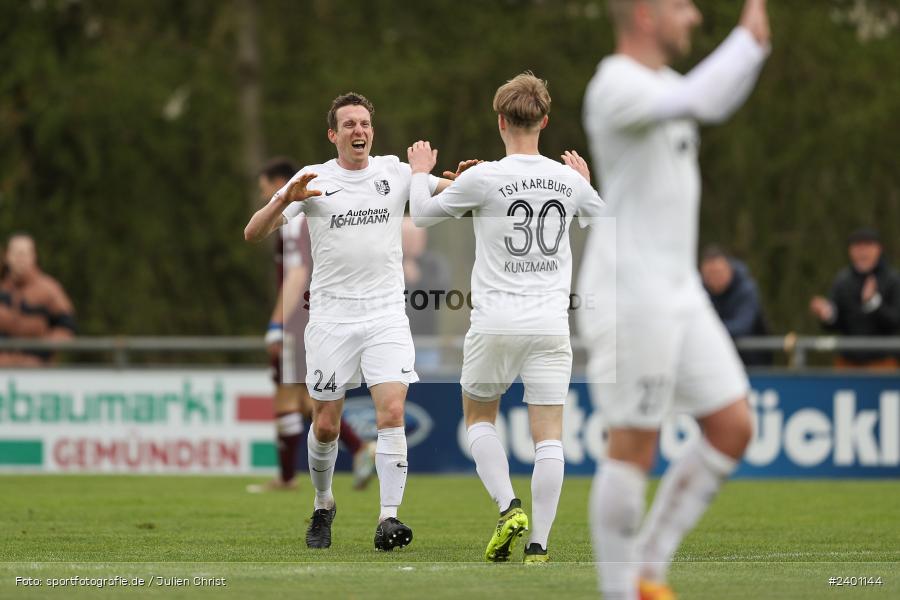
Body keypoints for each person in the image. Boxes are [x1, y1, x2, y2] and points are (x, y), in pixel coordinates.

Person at [578, 0, 770, 598]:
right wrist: (750, 34)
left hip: (679, 290)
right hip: (630, 292)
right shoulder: (615, 84)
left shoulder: (663, 84)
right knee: (634, 443)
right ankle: (620, 591)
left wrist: (752, 45)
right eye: (682, 6)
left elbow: (709, 95)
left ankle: (646, 571)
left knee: (733, 425)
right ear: (644, 14)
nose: (692, 17)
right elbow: (709, 98)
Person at [244, 92, 474, 551]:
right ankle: (324, 503)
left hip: (386, 315)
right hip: (330, 318)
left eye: (365, 123)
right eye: (348, 124)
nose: (359, 131)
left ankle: (389, 517)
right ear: (333, 134)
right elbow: (253, 232)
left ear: (373, 130)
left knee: (392, 412)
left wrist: (467, 183)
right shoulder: (312, 179)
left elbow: (453, 197)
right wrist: (283, 199)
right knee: (326, 424)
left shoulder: (394, 171)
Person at [407, 72, 605, 563]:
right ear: (545, 119)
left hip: (495, 321)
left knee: (478, 419)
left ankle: (507, 505)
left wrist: (419, 171)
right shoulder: (567, 180)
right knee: (549, 436)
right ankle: (539, 544)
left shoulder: (483, 176)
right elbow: (607, 222)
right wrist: (584, 185)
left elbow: (422, 215)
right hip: (551, 326)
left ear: (500, 120)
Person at [246, 157, 376, 494]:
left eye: (266, 190)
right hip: (316, 315)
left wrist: (277, 323)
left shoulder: (292, 220)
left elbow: (299, 273)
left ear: (281, 184)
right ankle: (360, 448)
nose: (265, 198)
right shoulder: (313, 216)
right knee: (307, 400)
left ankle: (287, 478)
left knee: (286, 397)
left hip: (300, 320)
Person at [810, 227, 900, 369]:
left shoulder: (892, 280)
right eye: (857, 247)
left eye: (867, 246)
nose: (862, 252)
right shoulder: (842, 280)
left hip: (883, 363)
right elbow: (834, 324)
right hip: (848, 363)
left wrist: (874, 303)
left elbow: (895, 322)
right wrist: (827, 314)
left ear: (879, 249)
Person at [0, 233, 76, 366]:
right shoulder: (2, 290)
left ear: (33, 257)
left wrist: (45, 349)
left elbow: (66, 327)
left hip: (37, 372)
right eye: (16, 253)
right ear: (7, 257)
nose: (20, 259)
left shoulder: (49, 290)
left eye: (24, 254)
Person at [700, 245, 772, 366]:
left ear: (729, 269)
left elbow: (742, 326)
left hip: (752, 364)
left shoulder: (746, 290)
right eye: (709, 274)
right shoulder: (697, 291)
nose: (714, 278)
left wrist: (703, 331)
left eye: (718, 272)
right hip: (713, 362)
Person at [401, 216, 451, 371]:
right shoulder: (389, 264)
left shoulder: (434, 263)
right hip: (394, 344)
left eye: (416, 237)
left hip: (426, 345)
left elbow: (442, 295)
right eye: (407, 237)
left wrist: (419, 280)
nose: (412, 242)